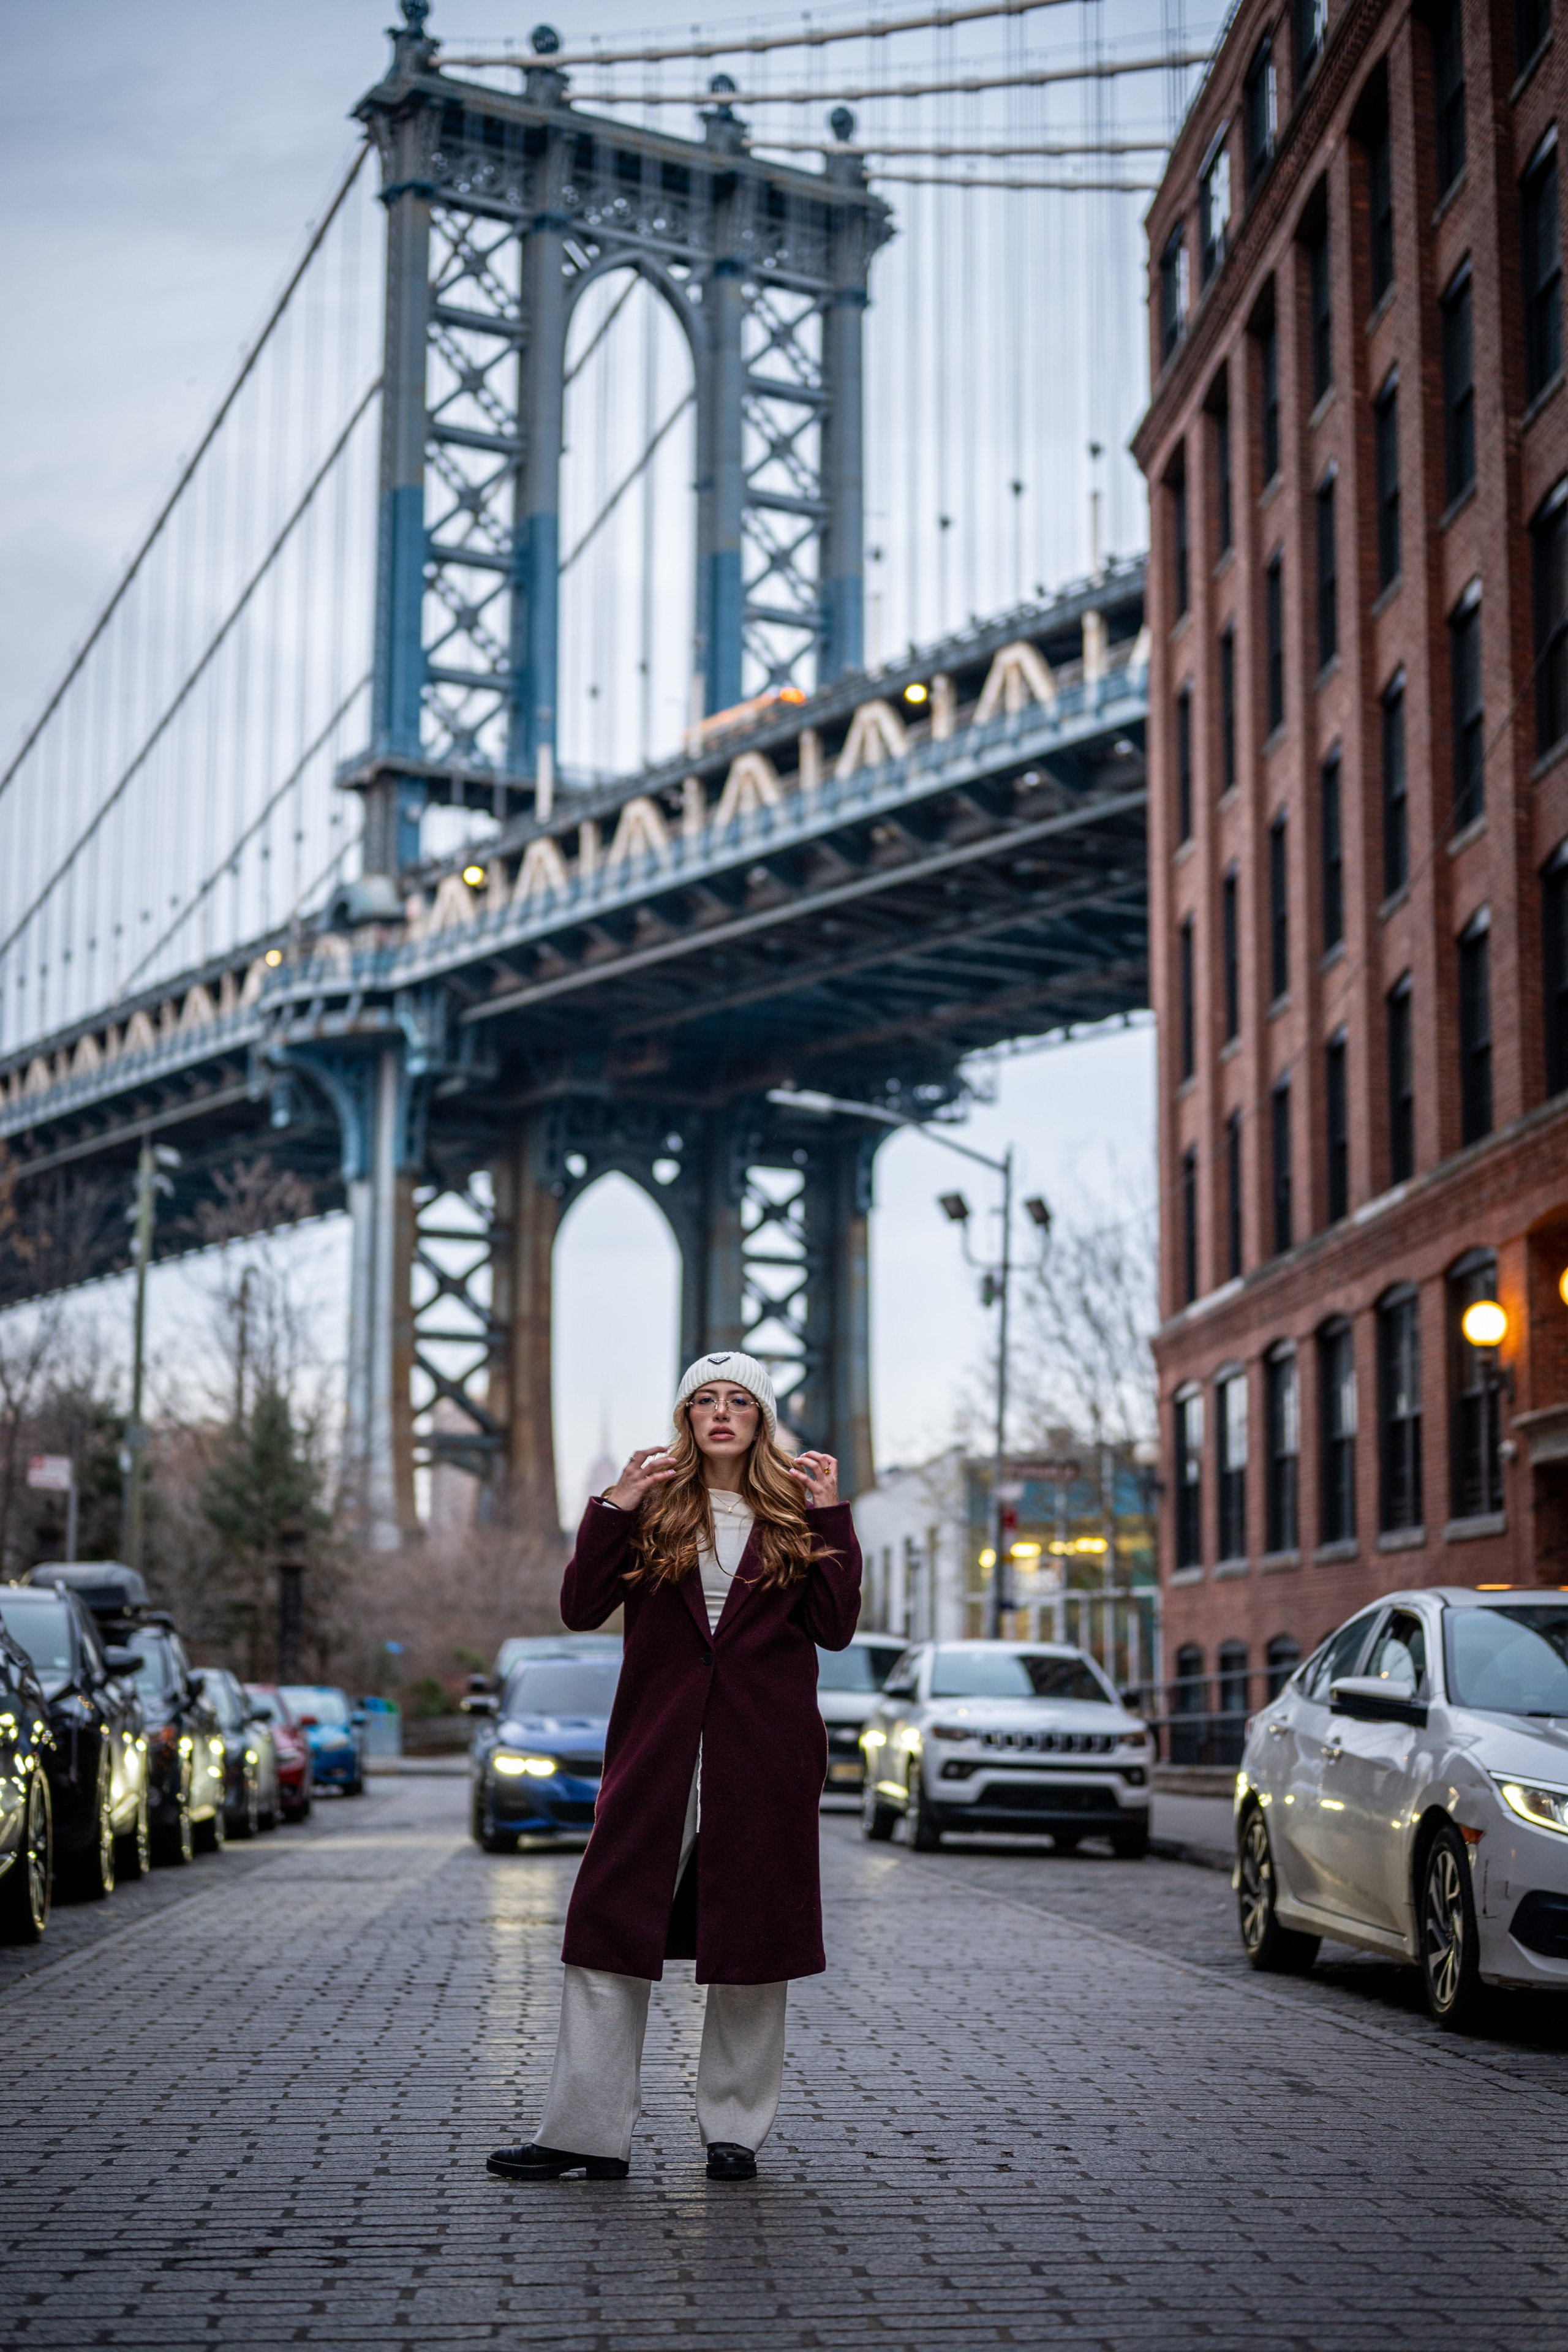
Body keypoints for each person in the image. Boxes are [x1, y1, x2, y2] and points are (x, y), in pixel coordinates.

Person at [486, 1349, 861, 2184]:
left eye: (740, 1401)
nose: (722, 1413)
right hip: (657, 1756)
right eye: (705, 1401)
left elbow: (835, 1630)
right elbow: (581, 1609)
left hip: (762, 1763)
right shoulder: (652, 1510)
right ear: (686, 1418)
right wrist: (613, 1506)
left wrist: (834, 1517)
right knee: (605, 1933)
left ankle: (735, 2132)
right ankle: (585, 2134)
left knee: (753, 1949)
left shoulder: (798, 1517)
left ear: (762, 1421)